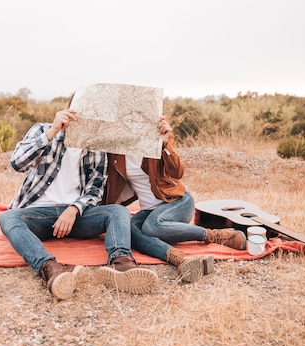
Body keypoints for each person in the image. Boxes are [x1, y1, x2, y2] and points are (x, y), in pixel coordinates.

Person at [0, 105, 158, 299]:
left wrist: (74, 208)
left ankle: (121, 265)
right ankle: (51, 269)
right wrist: (51, 133)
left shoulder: (96, 146)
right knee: (8, 218)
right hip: (36, 215)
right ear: (70, 110)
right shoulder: (42, 130)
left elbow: (95, 189)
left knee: (118, 212)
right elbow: (17, 163)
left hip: (77, 217)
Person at [104, 116, 247, 283]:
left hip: (177, 201)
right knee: (130, 231)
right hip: (149, 211)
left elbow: (177, 172)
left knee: (152, 227)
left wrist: (165, 145)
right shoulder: (115, 151)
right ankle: (181, 258)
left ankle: (216, 235)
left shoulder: (157, 137)